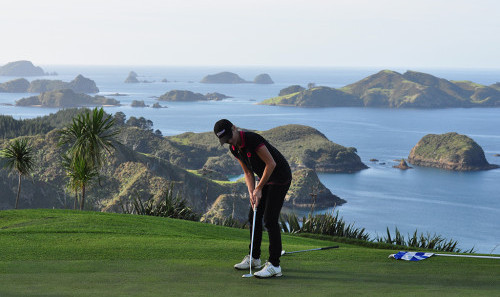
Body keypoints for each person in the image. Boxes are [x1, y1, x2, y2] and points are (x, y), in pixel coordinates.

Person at [213, 119, 292, 278]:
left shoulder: (252, 140)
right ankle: (254, 258)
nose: (230, 141)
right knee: (253, 215)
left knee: (269, 219)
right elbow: (248, 173)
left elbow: (271, 164)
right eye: (226, 140)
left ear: (234, 128)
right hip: (265, 178)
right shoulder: (234, 148)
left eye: (230, 136)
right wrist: (252, 192)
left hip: (280, 177)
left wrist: (259, 188)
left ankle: (275, 265)